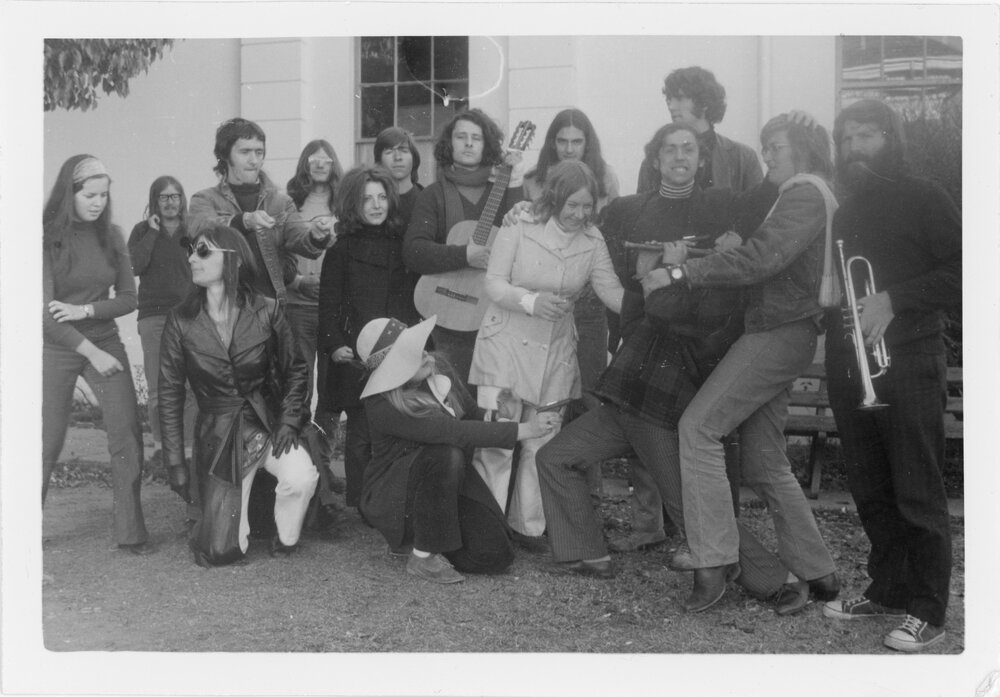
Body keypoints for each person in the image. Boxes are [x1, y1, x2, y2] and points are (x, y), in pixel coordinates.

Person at [650, 114, 840, 613]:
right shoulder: (797, 194)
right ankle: (819, 572)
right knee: (763, 459)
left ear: (803, 151)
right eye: (765, 147)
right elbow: (759, 256)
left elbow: (760, 260)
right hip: (782, 329)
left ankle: (713, 562)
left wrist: (680, 270)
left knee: (698, 428)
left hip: (778, 331)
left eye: (775, 147)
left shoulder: (804, 192)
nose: (768, 156)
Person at [819, 99, 961, 652]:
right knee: (871, 486)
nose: (854, 148)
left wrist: (895, 299)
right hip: (850, 361)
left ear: (891, 138)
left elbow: (966, 265)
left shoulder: (926, 196)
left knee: (916, 487)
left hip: (909, 358)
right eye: (846, 138)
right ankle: (889, 589)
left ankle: (929, 610)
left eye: (866, 136)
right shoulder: (849, 210)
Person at [468, 160, 623, 550]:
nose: (579, 214)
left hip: (555, 349)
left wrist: (656, 301)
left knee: (542, 439)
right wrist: (531, 301)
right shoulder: (519, 224)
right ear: (554, 199)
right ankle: (485, 527)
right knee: (498, 442)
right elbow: (493, 283)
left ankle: (529, 526)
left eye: (587, 206)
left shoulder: (593, 240)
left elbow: (611, 292)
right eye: (572, 205)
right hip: (505, 345)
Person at [158, 223, 319, 566]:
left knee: (301, 477)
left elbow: (296, 370)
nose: (192, 258)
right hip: (220, 437)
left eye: (203, 251)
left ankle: (287, 538)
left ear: (233, 261)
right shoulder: (180, 321)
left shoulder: (267, 309)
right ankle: (227, 522)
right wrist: (174, 461)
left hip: (268, 422)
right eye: (191, 250)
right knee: (221, 552)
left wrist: (290, 422)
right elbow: (169, 396)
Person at [357, 315, 561, 583]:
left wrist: (498, 415)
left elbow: (469, 414)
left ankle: (429, 539)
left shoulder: (436, 366)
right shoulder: (381, 405)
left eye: (420, 347)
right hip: (396, 495)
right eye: (413, 355)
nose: (427, 355)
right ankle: (421, 554)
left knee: (495, 556)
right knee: (446, 452)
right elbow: (453, 432)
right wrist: (526, 429)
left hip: (444, 484)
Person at [42, 154, 151, 555]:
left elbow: (128, 299)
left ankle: (131, 532)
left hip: (103, 337)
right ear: (68, 193)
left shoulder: (114, 236)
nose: (98, 203)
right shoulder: (44, 238)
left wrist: (86, 311)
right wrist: (91, 353)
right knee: (46, 441)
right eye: (89, 195)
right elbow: (46, 318)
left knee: (126, 434)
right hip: (57, 347)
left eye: (104, 195)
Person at [318, 165, 422, 510]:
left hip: (396, 344)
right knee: (361, 432)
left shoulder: (402, 245)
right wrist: (334, 345)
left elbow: (411, 298)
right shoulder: (340, 250)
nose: (376, 205)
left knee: (395, 427)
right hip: (357, 351)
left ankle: (392, 497)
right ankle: (361, 501)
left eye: (381, 197)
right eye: (367, 199)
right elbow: (329, 304)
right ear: (352, 204)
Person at [403, 108, 525, 385]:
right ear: (450, 144)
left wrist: (515, 182)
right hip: (446, 313)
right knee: (452, 392)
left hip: (492, 313)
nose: (469, 143)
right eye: (461, 137)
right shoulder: (433, 195)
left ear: (488, 146)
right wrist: (464, 254)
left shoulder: (505, 190)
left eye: (476, 138)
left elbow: (521, 240)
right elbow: (414, 251)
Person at [521, 108, 621, 419]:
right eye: (561, 140)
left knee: (588, 388)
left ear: (587, 144)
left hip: (590, 293)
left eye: (576, 141)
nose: (568, 148)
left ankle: (584, 462)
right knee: (542, 387)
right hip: (545, 295)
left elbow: (609, 235)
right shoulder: (533, 181)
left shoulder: (605, 178)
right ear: (552, 143)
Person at [188, 117, 328, 302]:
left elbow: (303, 244)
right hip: (222, 307)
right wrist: (245, 220)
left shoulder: (281, 202)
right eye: (245, 152)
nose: (254, 160)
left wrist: (317, 236)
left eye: (259, 152)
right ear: (225, 155)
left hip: (270, 308)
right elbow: (202, 229)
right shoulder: (204, 199)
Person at [127, 175, 199, 526]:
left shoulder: (191, 231)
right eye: (164, 197)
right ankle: (159, 446)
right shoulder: (142, 231)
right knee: (158, 388)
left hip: (187, 316)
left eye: (176, 196)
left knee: (187, 387)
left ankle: (184, 449)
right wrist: (154, 231)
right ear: (154, 201)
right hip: (154, 317)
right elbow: (135, 266)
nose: (171, 202)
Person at [636, 66, 763, 194]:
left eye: (679, 99)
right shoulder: (655, 157)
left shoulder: (742, 156)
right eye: (669, 99)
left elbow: (758, 208)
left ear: (704, 103)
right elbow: (642, 209)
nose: (671, 106)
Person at [374, 127, 424, 227]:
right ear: (379, 161)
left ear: (414, 158)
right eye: (389, 152)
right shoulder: (374, 203)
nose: (397, 157)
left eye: (404, 151)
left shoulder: (428, 200)